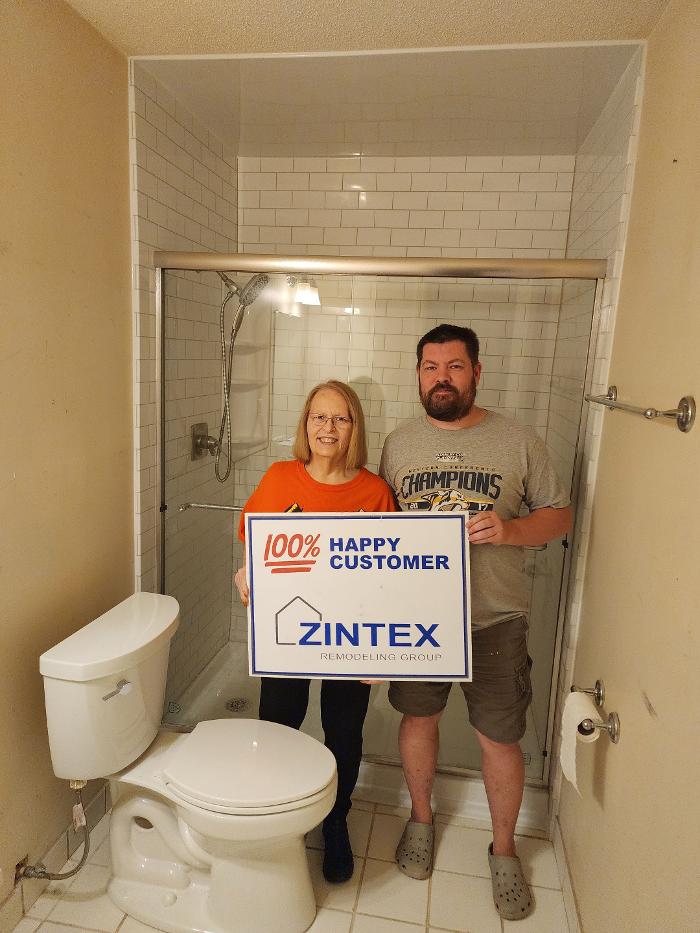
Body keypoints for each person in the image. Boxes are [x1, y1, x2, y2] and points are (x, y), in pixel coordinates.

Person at [379, 323, 572, 921]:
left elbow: (559, 516)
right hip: (418, 621)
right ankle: (421, 819)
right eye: (430, 367)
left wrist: (510, 530)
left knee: (500, 737)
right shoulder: (398, 444)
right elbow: (376, 528)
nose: (441, 378)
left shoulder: (518, 440)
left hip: (496, 618)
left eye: (454, 366)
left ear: (476, 373)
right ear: (418, 375)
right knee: (418, 719)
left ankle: (504, 849)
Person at [234, 379, 396, 884]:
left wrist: (382, 652)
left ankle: (335, 819)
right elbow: (254, 540)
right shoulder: (280, 476)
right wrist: (245, 571)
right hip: (289, 630)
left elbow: (392, 575)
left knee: (343, 731)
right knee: (278, 723)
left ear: (354, 428)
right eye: (319, 417)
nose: (328, 428)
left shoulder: (374, 491)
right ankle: (276, 812)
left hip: (349, 638)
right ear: (305, 424)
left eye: (340, 418)